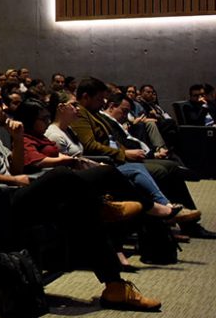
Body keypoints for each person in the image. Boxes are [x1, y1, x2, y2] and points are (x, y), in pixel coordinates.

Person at [0, 83, 160, 311]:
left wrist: (17, 139)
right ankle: (109, 208)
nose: (5, 107)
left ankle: (115, 286)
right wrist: (15, 181)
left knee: (96, 184)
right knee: (61, 176)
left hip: (12, 195)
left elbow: (16, 168)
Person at [69, 78, 211, 238]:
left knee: (171, 166)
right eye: (99, 98)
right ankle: (168, 215)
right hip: (109, 162)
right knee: (161, 170)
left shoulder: (92, 113)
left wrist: (127, 152)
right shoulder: (80, 113)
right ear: (86, 96)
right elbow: (90, 145)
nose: (103, 102)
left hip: (119, 157)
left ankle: (186, 222)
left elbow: (112, 140)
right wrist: (124, 154)